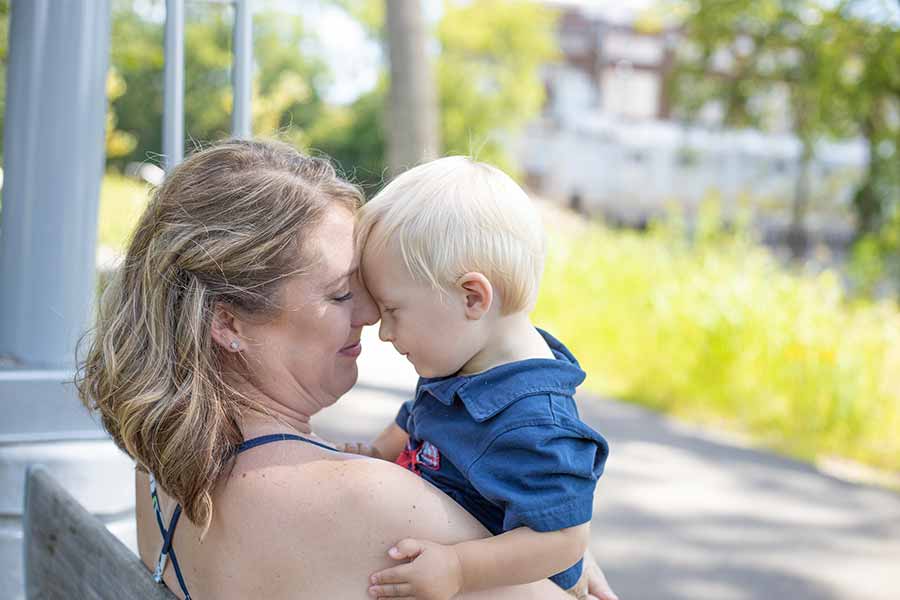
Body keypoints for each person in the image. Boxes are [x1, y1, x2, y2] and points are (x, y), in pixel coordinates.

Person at [76, 139, 618, 600]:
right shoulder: (369, 503)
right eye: (341, 294)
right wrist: (555, 558)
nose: (370, 315)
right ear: (229, 324)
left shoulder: (163, 464)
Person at [346, 156, 609, 600]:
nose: (384, 333)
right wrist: (377, 453)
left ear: (472, 297)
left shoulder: (533, 423)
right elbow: (417, 418)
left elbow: (564, 540)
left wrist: (459, 567)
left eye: (392, 310)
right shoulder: (464, 364)